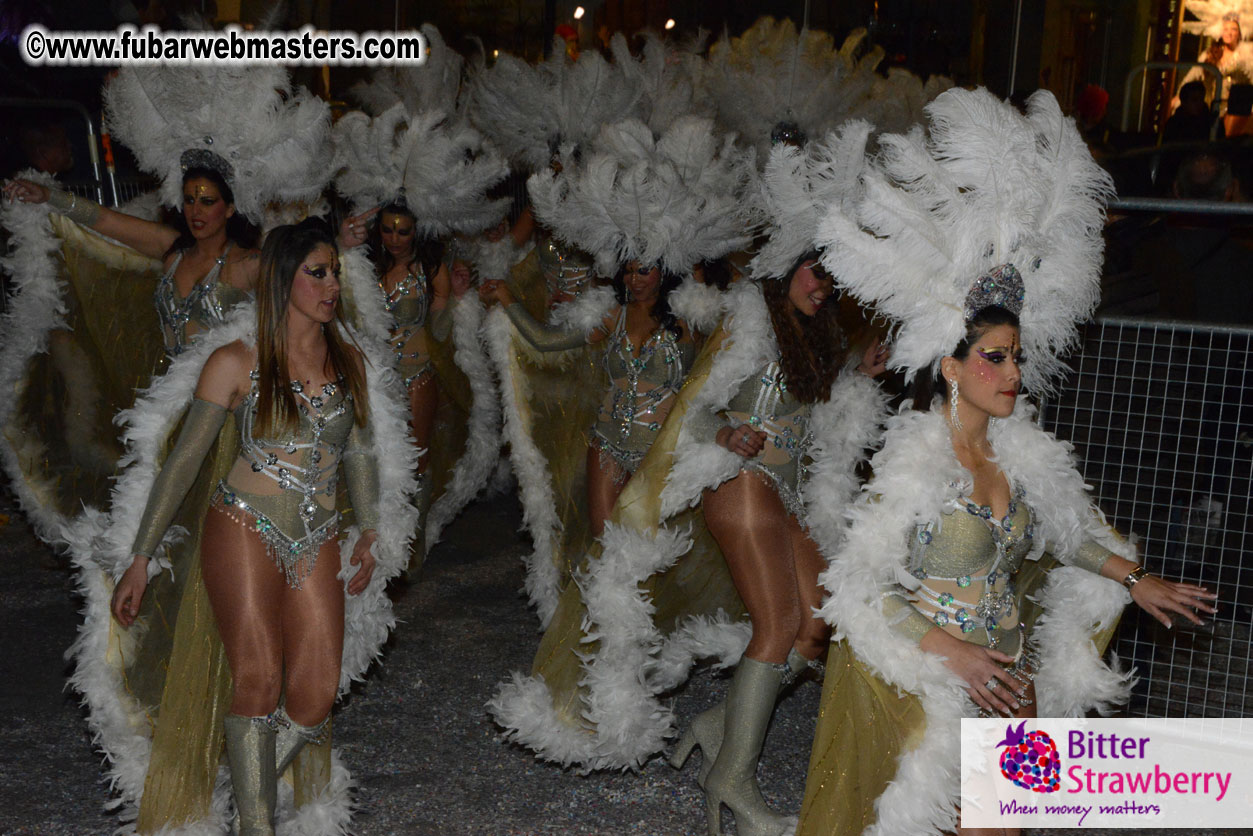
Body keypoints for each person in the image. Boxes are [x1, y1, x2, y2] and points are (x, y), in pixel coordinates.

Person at [795, 86, 1220, 836]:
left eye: (1017, 357)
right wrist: (950, 656)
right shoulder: (915, 463)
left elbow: (1063, 536)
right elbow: (857, 586)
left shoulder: (1020, 451)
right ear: (951, 367)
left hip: (1008, 677)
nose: (1014, 373)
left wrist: (1136, 579)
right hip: (935, 682)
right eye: (994, 358)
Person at [94, 219, 405, 834]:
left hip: (318, 534)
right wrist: (141, 557)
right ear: (284, 279)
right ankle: (256, 826)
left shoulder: (351, 360)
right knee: (258, 681)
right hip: (242, 525)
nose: (332, 285)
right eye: (318, 273)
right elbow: (183, 465)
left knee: (315, 695)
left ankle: (244, 790)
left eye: (335, 272)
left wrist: (371, 528)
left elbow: (361, 451)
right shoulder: (234, 361)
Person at [666, 254, 887, 836]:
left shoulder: (811, 335)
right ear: (784, 268)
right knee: (778, 624)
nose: (824, 286)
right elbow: (685, 402)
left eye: (833, 277)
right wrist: (723, 432)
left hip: (790, 491)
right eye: (815, 271)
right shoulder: (746, 318)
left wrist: (858, 374)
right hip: (738, 480)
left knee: (816, 625)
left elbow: (813, 414)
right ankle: (732, 778)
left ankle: (722, 723)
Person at [481, 259, 698, 537]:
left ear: (665, 270)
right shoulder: (614, 315)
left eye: (644, 271)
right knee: (605, 542)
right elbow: (545, 340)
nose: (634, 280)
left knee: (649, 544)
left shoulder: (691, 316)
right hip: (607, 444)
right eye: (628, 271)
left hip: (661, 449)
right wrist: (506, 296)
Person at [4, 165, 259, 357]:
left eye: (208, 202)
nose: (196, 212)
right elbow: (105, 220)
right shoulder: (173, 250)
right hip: (172, 391)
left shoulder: (250, 263)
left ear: (230, 209)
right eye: (190, 201)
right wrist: (48, 196)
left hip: (227, 394)